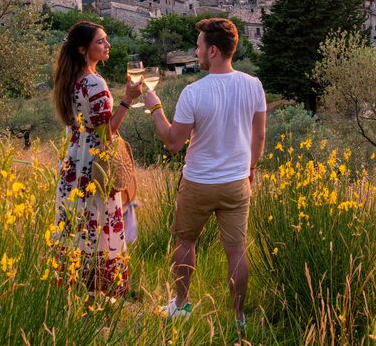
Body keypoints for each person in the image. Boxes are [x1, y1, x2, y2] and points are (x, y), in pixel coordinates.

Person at [144, 18, 267, 328]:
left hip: (198, 182)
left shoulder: (193, 92)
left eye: (198, 46)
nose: (195, 51)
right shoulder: (254, 85)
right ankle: (238, 317)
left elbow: (173, 143)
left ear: (212, 50)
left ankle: (181, 305)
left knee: (185, 242)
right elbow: (259, 137)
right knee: (236, 251)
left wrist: (155, 107)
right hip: (236, 183)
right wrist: (250, 168)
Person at [51, 21, 143, 297]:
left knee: (76, 226)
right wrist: (127, 99)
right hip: (96, 166)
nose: (108, 45)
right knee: (99, 225)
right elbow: (106, 131)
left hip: (74, 160)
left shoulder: (69, 79)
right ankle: (99, 294)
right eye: (101, 41)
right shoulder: (94, 82)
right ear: (83, 49)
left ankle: (73, 288)